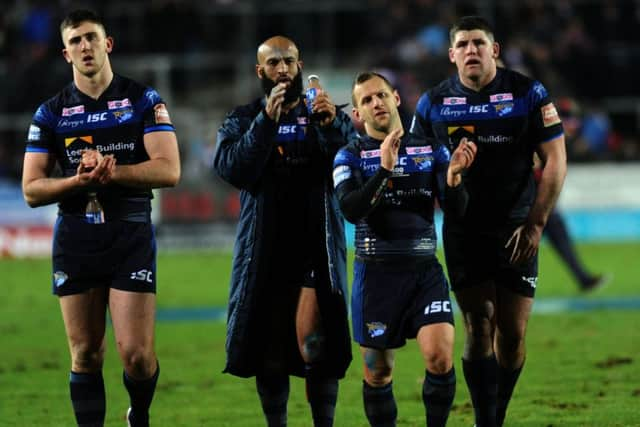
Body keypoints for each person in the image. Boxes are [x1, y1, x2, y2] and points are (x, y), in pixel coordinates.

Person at [22, 9, 180, 427]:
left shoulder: (144, 100)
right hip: (76, 235)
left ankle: (139, 415)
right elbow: (32, 189)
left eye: (91, 37)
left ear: (107, 44)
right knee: (86, 353)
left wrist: (116, 172)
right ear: (65, 53)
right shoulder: (50, 113)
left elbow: (169, 169)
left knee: (138, 356)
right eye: (75, 41)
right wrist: (77, 180)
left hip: (129, 231)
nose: (84, 46)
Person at [410, 16, 567, 427]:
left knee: (512, 335)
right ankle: (486, 421)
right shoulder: (433, 104)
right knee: (478, 324)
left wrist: (535, 224)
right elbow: (418, 167)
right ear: (451, 55)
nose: (471, 50)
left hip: (517, 229)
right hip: (464, 230)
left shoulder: (527, 93)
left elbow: (555, 161)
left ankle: (497, 412)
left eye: (479, 42)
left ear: (494, 50)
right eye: (462, 44)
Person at [213, 35, 354, 427]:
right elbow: (232, 170)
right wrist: (266, 123)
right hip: (265, 252)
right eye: (273, 63)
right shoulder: (243, 118)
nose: (283, 70)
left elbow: (354, 164)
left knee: (317, 342)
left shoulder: (325, 112)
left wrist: (331, 127)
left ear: (300, 64)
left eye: (289, 61)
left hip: (316, 248)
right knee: (270, 350)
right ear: (260, 71)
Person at [333, 71, 475, 427]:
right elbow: (351, 210)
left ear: (396, 98)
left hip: (424, 269)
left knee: (440, 357)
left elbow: (456, 211)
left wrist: (455, 179)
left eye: (380, 95)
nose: (375, 103)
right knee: (378, 374)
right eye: (366, 100)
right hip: (375, 275)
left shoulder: (432, 149)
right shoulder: (347, 157)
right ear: (356, 114)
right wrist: (383, 170)